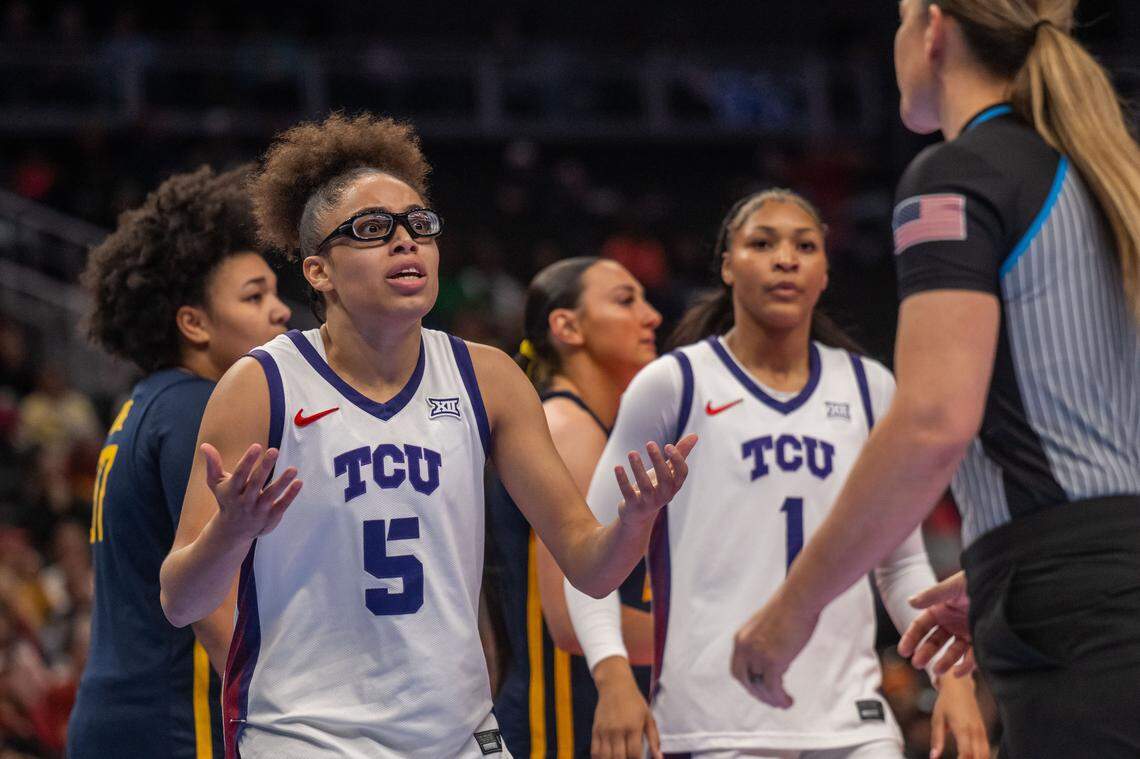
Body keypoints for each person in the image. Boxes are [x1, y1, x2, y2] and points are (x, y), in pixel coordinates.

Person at [156, 113, 697, 759]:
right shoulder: (262, 384)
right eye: (373, 230)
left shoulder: (487, 376)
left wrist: (635, 519)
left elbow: (590, 565)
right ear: (319, 271)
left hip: (458, 733)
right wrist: (231, 529)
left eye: (420, 224)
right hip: (306, 735)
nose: (406, 241)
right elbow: (180, 599)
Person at [729, 3, 1140, 758]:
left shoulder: (959, 174)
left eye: (897, 22)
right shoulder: (1106, 171)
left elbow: (930, 426)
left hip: (1076, 601)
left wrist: (795, 607)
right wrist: (994, 562)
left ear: (933, 29)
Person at [565, 189, 988, 759]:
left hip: (851, 720)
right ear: (727, 266)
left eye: (805, 245)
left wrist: (952, 680)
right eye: (762, 243)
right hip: (711, 721)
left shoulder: (870, 388)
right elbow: (586, 558)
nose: (785, 258)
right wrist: (613, 678)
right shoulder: (675, 383)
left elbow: (902, 561)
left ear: (825, 271)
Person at [68, 165, 291, 758]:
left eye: (274, 291)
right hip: (178, 715)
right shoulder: (199, 408)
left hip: (118, 711)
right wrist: (283, 718)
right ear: (193, 323)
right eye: (254, 296)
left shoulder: (144, 403)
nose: (281, 311)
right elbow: (210, 603)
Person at [486, 257, 661, 758]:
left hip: (591, 704)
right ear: (567, 326)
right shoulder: (566, 427)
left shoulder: (594, 427)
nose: (651, 316)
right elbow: (568, 619)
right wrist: (707, 636)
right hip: (560, 715)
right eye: (626, 300)